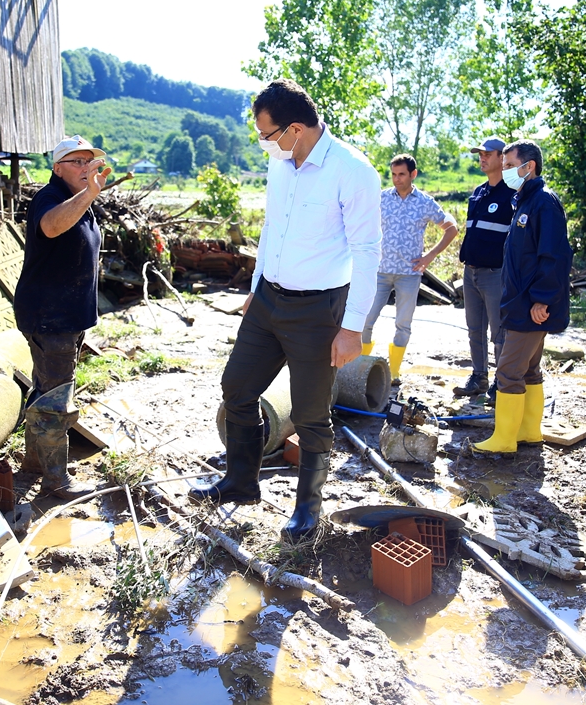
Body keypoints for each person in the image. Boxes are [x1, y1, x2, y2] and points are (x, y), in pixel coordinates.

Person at [189, 79, 381, 542]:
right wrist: (255, 286)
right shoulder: (282, 167)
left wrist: (352, 327)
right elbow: (272, 228)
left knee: (312, 413)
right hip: (269, 300)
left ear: (296, 128)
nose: (265, 145)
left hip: (319, 310)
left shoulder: (353, 171)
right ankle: (241, 481)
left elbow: (368, 251)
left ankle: (307, 510)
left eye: (268, 135)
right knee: (236, 386)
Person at [13, 135, 112, 497]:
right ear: (57, 168)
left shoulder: (81, 201)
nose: (87, 168)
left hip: (65, 316)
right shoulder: (50, 197)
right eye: (77, 162)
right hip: (50, 317)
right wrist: (88, 194)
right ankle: (56, 480)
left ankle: (33, 466)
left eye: (91, 161)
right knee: (56, 400)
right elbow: (52, 227)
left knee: (45, 392)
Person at [473, 139, 572, 455]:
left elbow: (554, 256)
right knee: (529, 369)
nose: (505, 171)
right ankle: (529, 431)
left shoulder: (543, 203)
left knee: (508, 371)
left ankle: (503, 439)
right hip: (520, 301)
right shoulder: (525, 202)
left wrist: (542, 300)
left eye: (509, 165)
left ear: (529, 167)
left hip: (531, 305)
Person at [360, 154, 457, 383]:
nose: (396, 179)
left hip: (409, 274)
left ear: (413, 174)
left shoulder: (424, 202)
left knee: (403, 324)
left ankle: (393, 371)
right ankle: (361, 368)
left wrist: (430, 255)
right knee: (365, 319)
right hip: (380, 271)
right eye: (393, 174)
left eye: (401, 174)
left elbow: (451, 228)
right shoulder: (381, 198)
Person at [453, 137, 515, 399]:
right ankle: (479, 377)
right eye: (480, 154)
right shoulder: (478, 193)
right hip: (472, 272)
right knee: (474, 329)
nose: (482, 158)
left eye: (488, 154)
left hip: (495, 274)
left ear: (502, 158)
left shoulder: (512, 193)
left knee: (499, 333)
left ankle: (501, 384)